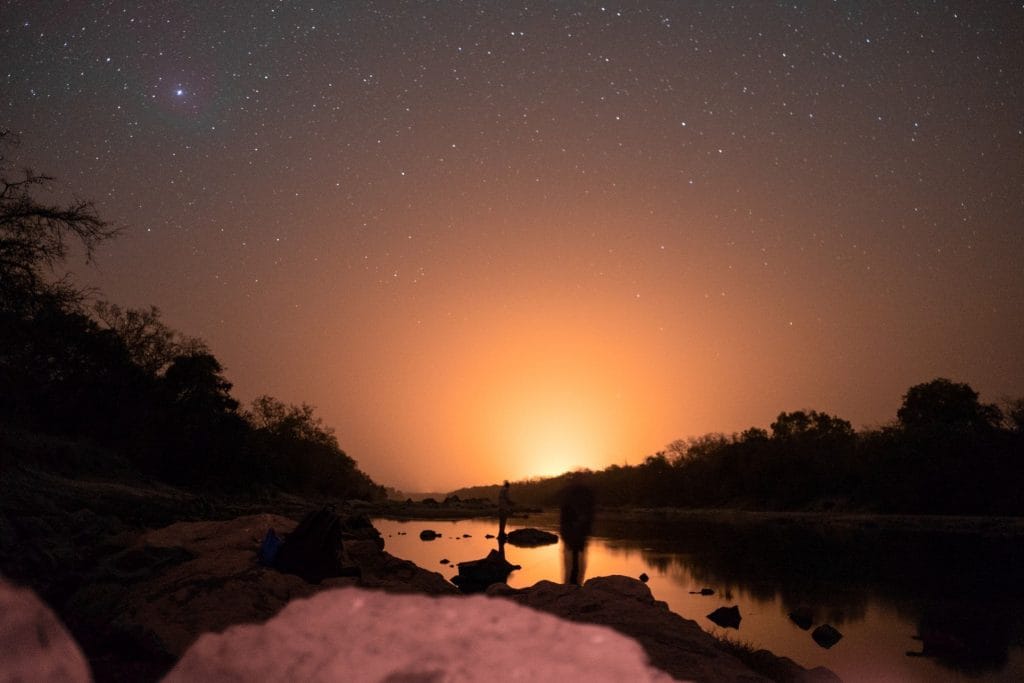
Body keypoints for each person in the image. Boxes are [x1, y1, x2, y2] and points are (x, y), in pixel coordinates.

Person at [559, 477, 595, 585]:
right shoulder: (572, 502)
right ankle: (574, 581)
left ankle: (573, 581)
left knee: (575, 559)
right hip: (574, 536)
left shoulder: (571, 500)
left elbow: (566, 520)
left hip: (575, 536)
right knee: (574, 559)